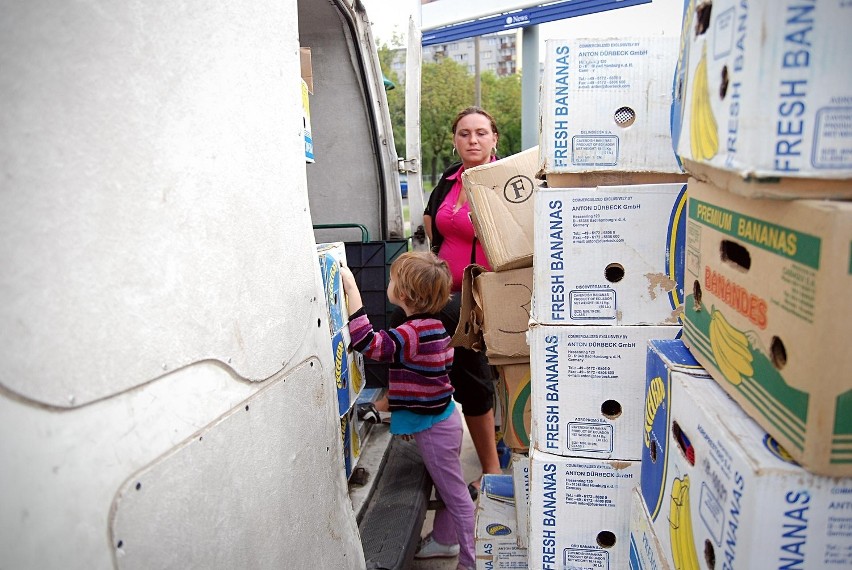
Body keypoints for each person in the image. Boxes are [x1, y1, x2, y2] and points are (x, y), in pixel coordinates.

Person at [340, 252, 475, 570]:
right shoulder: (433, 327)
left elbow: (369, 344)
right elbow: (430, 374)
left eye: (392, 280)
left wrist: (352, 292)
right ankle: (444, 539)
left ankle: (470, 562)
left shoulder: (410, 334)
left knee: (456, 496)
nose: (389, 284)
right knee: (447, 486)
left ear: (403, 294)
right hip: (444, 419)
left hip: (434, 429)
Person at [421, 106, 503, 494]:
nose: (473, 140)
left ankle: (492, 468)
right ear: (455, 139)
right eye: (465, 134)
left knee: (465, 351)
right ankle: (407, 402)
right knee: (403, 309)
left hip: (492, 291)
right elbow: (429, 220)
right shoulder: (449, 178)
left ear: (494, 139)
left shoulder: (505, 180)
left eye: (481, 133)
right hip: (448, 290)